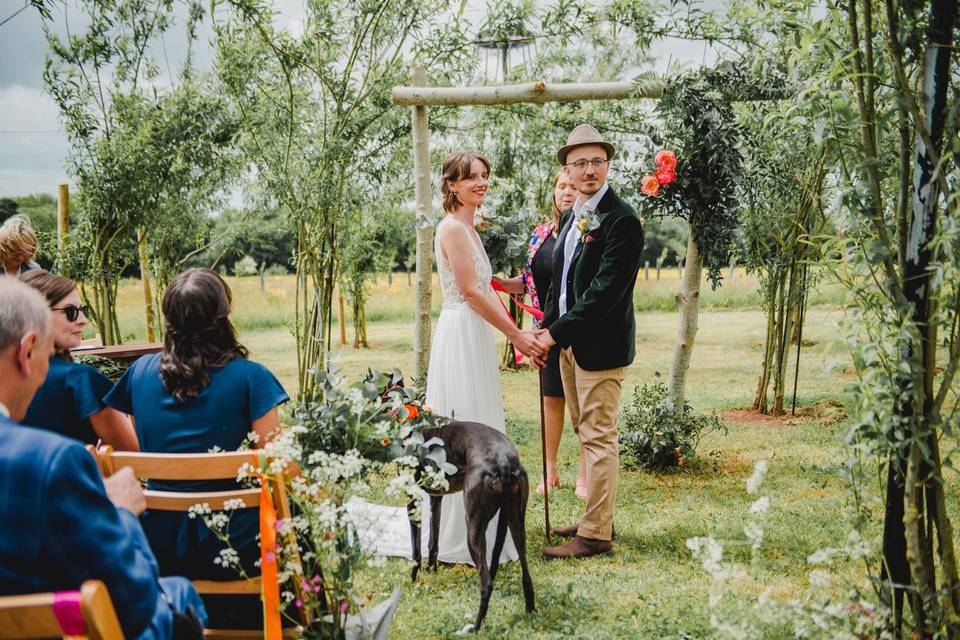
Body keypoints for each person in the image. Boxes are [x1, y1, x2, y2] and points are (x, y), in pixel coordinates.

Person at [348, 151, 545, 565]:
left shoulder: (469, 228)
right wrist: (516, 335)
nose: (481, 182)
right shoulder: (453, 228)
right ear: (451, 185)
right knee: (464, 420)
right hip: (460, 331)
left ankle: (485, 513)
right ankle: (459, 530)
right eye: (471, 177)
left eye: (485, 175)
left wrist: (520, 282)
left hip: (472, 332)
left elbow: (483, 282)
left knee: (482, 418)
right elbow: (471, 291)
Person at [0, 277, 207, 640]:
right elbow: (135, 603)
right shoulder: (51, 462)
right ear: (28, 350)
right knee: (177, 593)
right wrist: (121, 511)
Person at [104, 268, 288, 626]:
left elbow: (127, 437)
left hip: (159, 541)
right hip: (236, 544)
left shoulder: (140, 372)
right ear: (223, 315)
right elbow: (274, 463)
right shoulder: (252, 377)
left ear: (168, 317)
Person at [534, 124, 645, 560]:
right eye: (579, 163)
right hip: (569, 345)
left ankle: (596, 534)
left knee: (599, 436)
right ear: (566, 168)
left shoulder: (622, 221)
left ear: (608, 164)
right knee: (586, 433)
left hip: (600, 346)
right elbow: (561, 284)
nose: (589, 170)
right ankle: (595, 516)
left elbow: (602, 293)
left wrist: (553, 334)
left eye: (597, 161)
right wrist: (547, 332)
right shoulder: (573, 215)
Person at [494, 170, 587, 497]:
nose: (566, 192)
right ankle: (550, 472)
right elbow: (529, 280)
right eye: (561, 186)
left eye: (572, 187)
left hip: (578, 330)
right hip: (544, 331)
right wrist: (504, 284)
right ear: (553, 192)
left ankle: (585, 474)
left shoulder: (587, 231)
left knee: (582, 406)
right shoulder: (540, 234)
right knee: (551, 400)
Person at [20, 269, 139, 450]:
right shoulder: (81, 380)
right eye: (71, 312)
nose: (83, 320)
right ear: (37, 315)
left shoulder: (11, 375)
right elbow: (131, 451)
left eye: (82, 310)